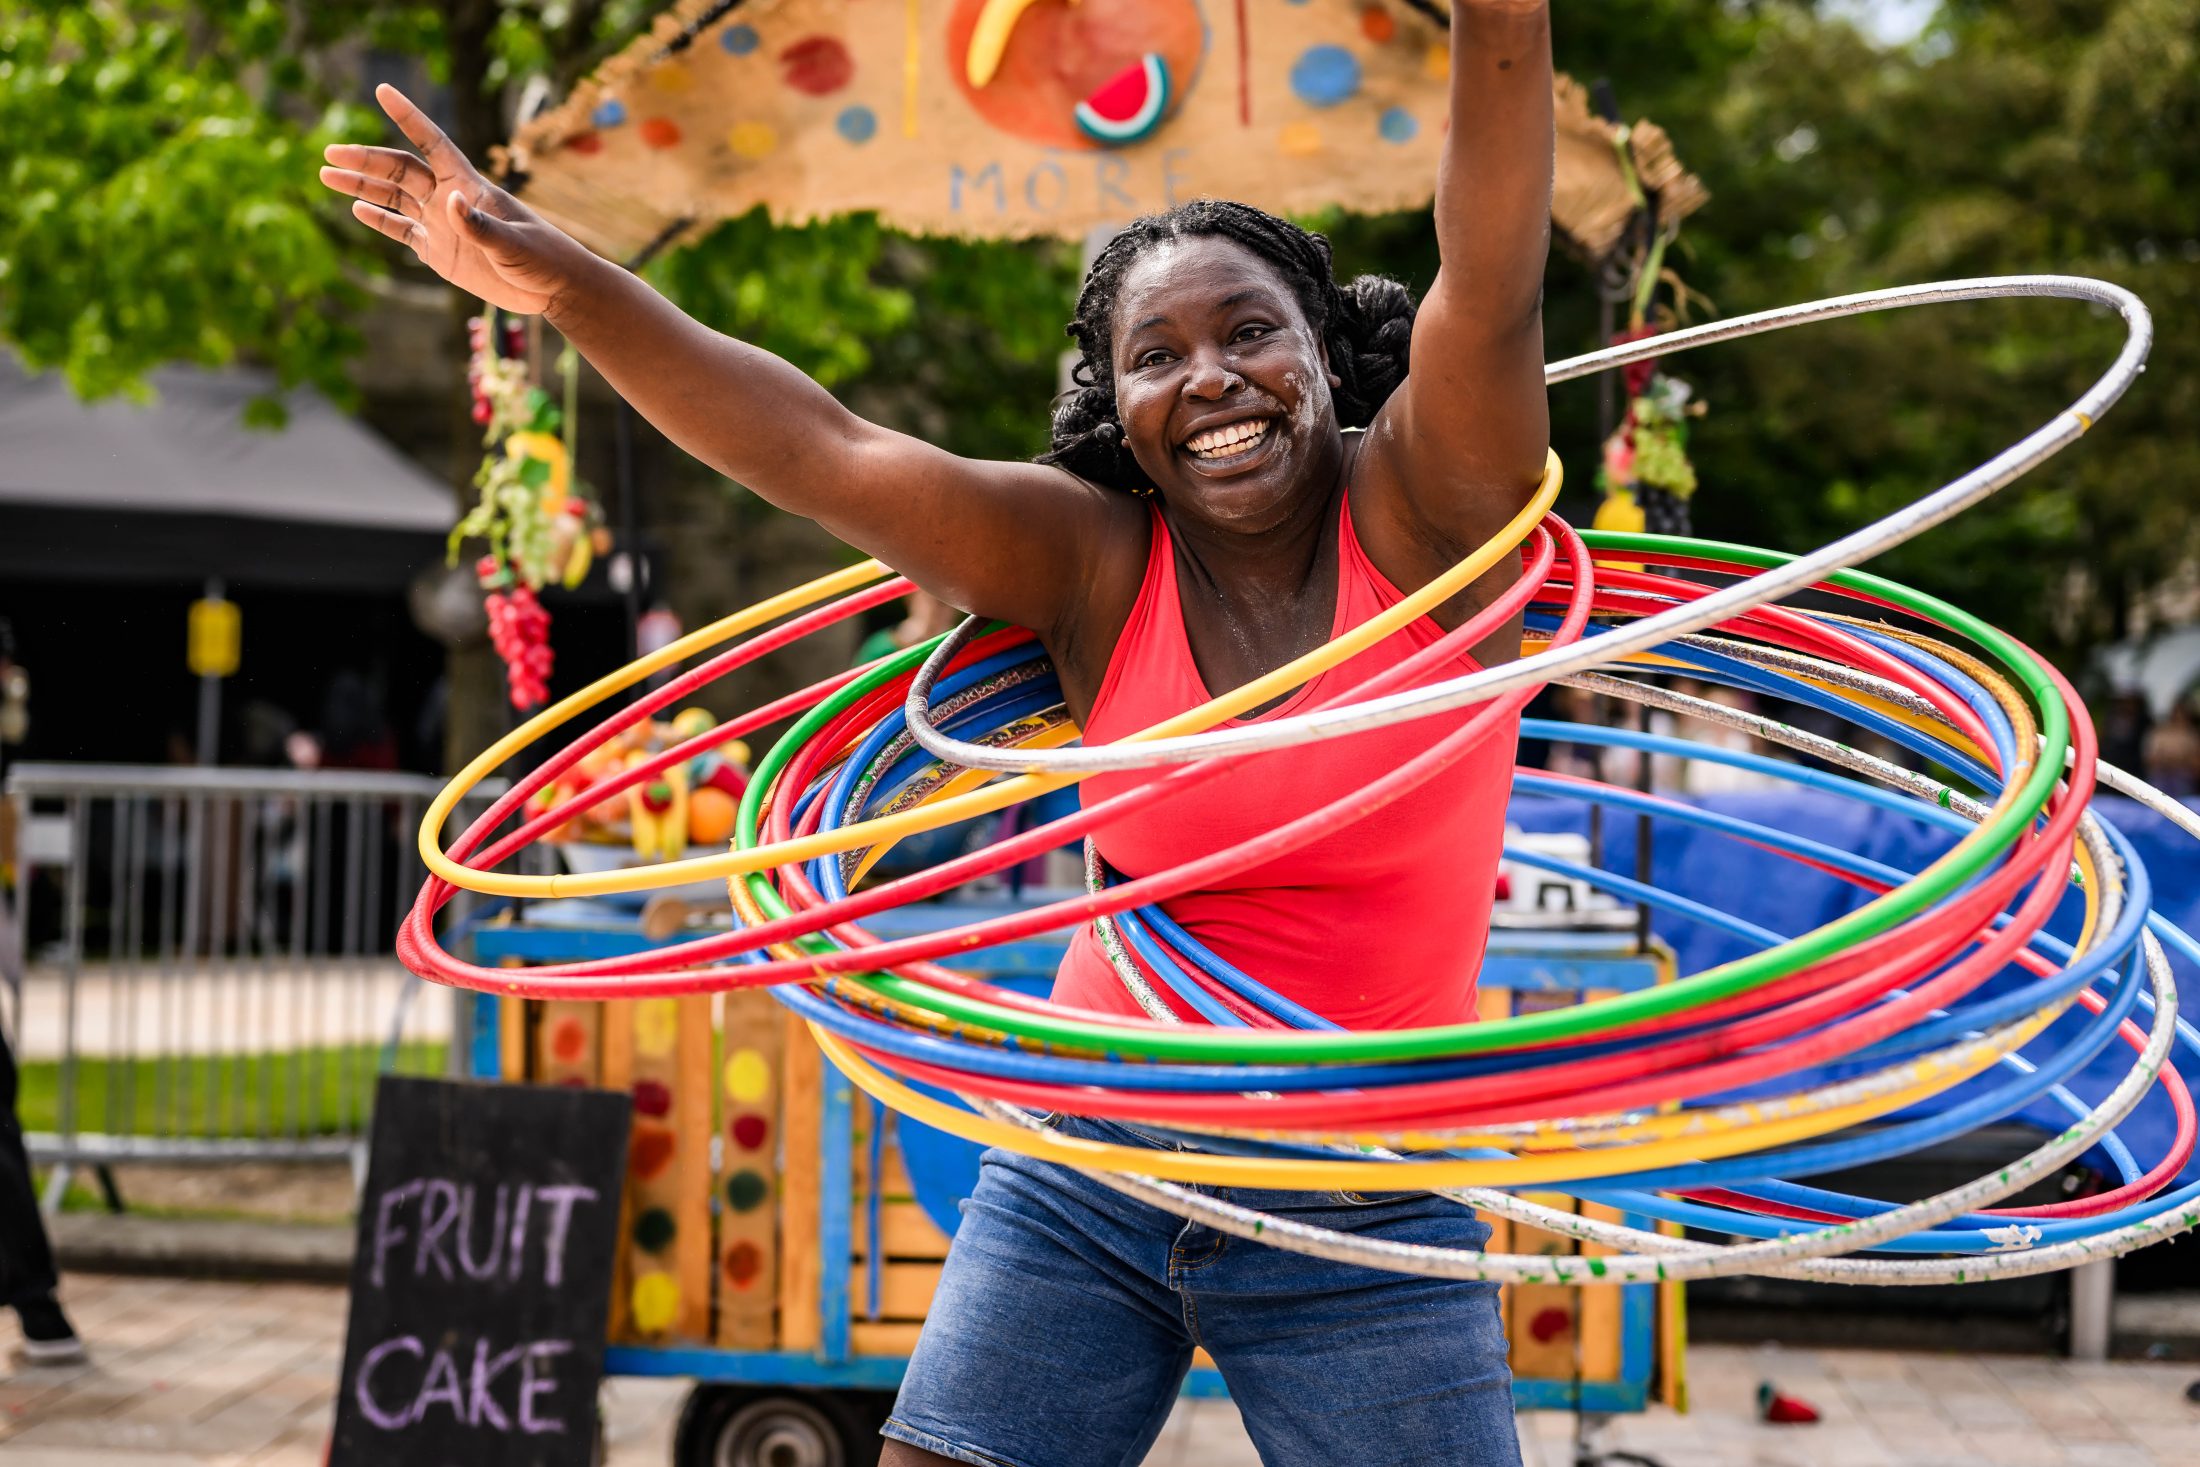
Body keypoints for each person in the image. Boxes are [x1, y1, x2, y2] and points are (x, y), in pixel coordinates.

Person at [322, 4, 1552, 1460]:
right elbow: (824, 451)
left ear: (1331, 359)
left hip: (1361, 1187)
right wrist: (566, 285)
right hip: (1094, 1154)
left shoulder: (1432, 519)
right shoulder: (1097, 563)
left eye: (1248, 333)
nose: (1209, 377)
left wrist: (1507, 19)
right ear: (1122, 407)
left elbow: (1491, 284)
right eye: (1155, 354)